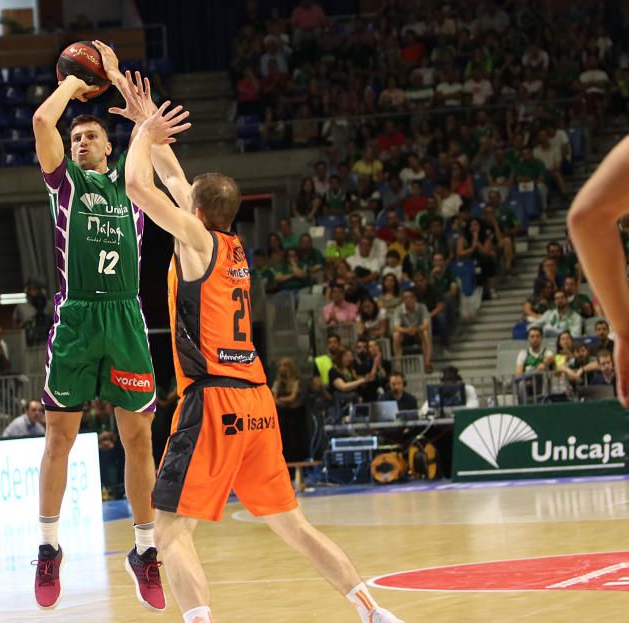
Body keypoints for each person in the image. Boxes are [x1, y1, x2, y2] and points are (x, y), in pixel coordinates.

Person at [125, 97, 403, 623]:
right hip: (257, 401)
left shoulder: (194, 237)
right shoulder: (232, 245)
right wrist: (146, 122)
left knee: (170, 532)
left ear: (196, 213)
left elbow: (140, 186)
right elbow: (172, 179)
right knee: (294, 526)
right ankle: (372, 611)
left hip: (213, 399)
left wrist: (142, 137)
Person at [29, 42, 166, 611]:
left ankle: (144, 549)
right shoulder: (64, 185)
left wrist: (113, 75)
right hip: (78, 316)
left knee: (138, 438)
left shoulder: (131, 187)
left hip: (126, 315)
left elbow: (152, 130)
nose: (82, 140)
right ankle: (48, 547)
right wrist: (73, 82)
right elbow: (43, 120)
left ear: (110, 145)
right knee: (60, 436)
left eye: (91, 136)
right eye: (76, 136)